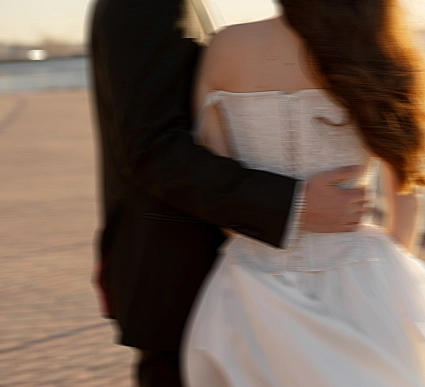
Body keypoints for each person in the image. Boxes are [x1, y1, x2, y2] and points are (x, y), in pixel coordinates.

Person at [181, 0, 425, 386]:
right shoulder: (377, 48)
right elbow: (407, 190)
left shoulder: (226, 45)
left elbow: (220, 181)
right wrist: (389, 272)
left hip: (254, 274)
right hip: (362, 269)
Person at [89, 0, 367, 386]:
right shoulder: (146, 6)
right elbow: (151, 149)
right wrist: (293, 203)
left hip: (209, 269)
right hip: (176, 272)